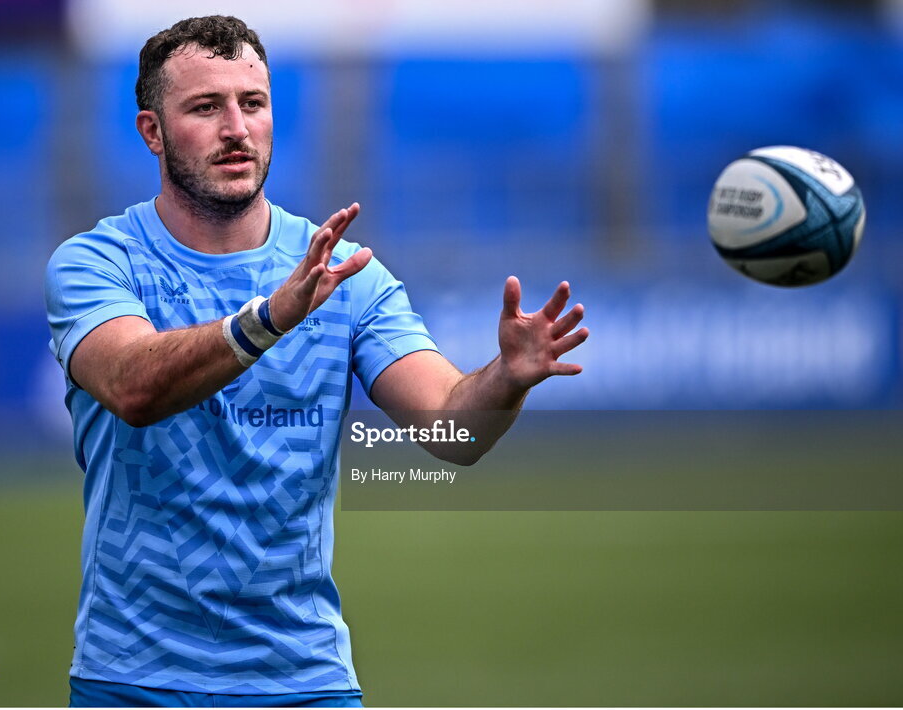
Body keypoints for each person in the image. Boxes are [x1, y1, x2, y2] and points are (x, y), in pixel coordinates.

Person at [45, 15, 589, 708]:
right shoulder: (97, 263)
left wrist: (504, 381)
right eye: (205, 107)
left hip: (304, 681)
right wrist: (268, 318)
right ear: (152, 132)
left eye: (253, 103)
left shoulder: (346, 274)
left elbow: (452, 430)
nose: (236, 128)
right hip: (133, 679)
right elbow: (133, 386)